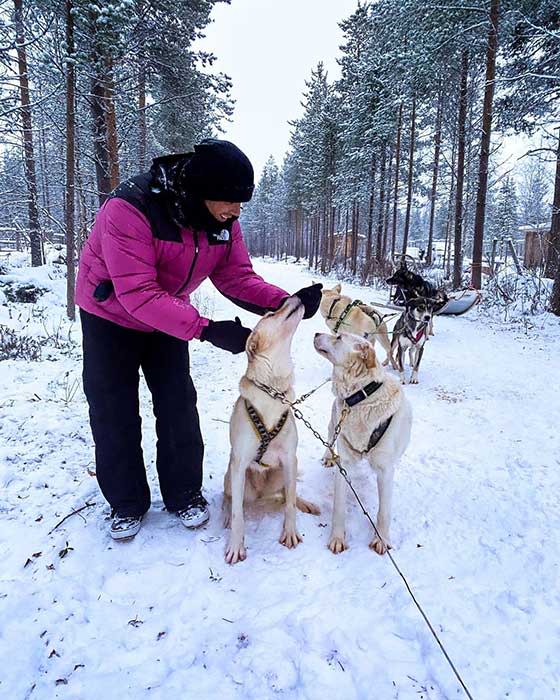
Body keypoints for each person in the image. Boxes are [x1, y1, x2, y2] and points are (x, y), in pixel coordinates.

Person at [76, 139, 322, 541]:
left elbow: (237, 277)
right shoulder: (130, 210)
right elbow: (137, 293)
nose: (236, 212)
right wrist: (206, 329)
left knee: (177, 402)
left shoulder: (223, 222)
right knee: (113, 408)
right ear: (200, 192)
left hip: (166, 313)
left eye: (241, 204)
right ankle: (126, 502)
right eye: (230, 202)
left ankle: (184, 494)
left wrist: (287, 302)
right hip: (110, 315)